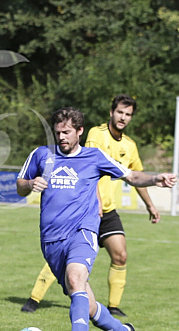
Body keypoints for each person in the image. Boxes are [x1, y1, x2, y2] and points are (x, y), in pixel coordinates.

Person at [17, 107, 176, 331]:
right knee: (88, 305)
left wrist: (156, 178)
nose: (61, 137)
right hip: (50, 241)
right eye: (58, 132)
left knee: (76, 277)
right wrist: (30, 184)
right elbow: (20, 186)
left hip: (83, 231)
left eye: (67, 132)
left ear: (80, 131)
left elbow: (131, 175)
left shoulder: (94, 157)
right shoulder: (41, 155)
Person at [21, 94, 160, 318]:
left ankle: (113, 306)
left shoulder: (130, 146)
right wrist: (94, 202)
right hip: (86, 209)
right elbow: (85, 171)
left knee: (120, 254)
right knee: (68, 255)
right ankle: (34, 298)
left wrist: (150, 204)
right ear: (111, 112)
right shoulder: (97, 134)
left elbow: (134, 176)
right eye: (120, 112)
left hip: (108, 210)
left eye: (128, 114)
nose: (123, 117)